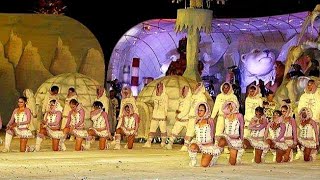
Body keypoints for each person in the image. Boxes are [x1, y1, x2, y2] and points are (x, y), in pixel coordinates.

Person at [188, 103, 220, 167]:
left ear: (206, 111)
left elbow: (213, 133)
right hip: (199, 144)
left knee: (204, 165)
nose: (199, 112)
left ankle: (213, 157)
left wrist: (214, 146)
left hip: (208, 146)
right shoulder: (197, 120)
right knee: (192, 146)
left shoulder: (210, 120)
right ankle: (193, 160)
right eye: (198, 110)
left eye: (201, 110)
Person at [215, 101, 244, 165]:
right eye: (228, 106)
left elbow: (241, 128)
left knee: (232, 163)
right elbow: (224, 127)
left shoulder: (239, 115)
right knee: (221, 142)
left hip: (235, 139)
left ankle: (235, 155)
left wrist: (242, 139)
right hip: (226, 137)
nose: (230, 108)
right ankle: (214, 158)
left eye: (231, 106)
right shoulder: (225, 115)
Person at [181, 82, 207, 151]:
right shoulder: (193, 96)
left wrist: (200, 117)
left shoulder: (202, 96)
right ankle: (186, 145)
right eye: (196, 86)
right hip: (191, 117)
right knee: (189, 131)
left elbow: (203, 107)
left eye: (198, 86)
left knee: (198, 132)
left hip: (197, 117)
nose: (196, 87)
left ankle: (199, 147)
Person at [143, 82, 168, 148]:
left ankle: (163, 142)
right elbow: (152, 102)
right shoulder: (154, 95)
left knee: (163, 129)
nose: (159, 88)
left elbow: (166, 106)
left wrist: (165, 115)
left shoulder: (165, 96)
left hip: (162, 115)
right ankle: (149, 142)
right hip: (155, 114)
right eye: (158, 87)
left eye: (160, 87)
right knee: (152, 129)